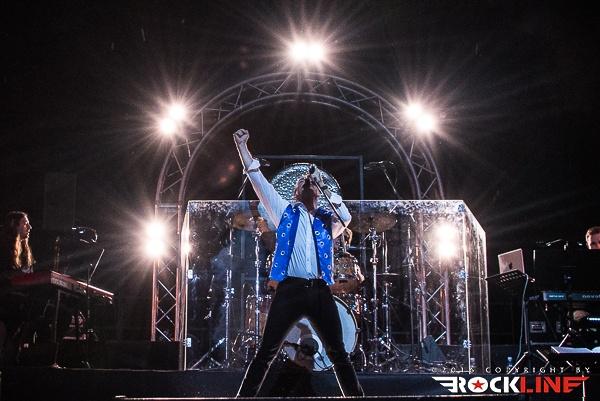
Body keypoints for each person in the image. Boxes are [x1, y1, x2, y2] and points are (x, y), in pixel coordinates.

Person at [233, 129, 364, 397]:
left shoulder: (328, 220)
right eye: (302, 182)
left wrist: (324, 187)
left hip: (319, 291)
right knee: (267, 351)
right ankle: (242, 399)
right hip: (290, 290)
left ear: (317, 191)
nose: (306, 182)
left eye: (310, 182)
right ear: (295, 192)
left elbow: (346, 217)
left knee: (338, 352)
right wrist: (242, 147)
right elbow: (258, 180)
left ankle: (357, 398)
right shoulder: (285, 212)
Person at [0, 211, 35, 365]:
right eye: (25, 223)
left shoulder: (25, 252)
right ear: (14, 226)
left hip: (19, 299)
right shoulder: (3, 248)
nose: (30, 227)